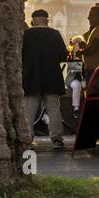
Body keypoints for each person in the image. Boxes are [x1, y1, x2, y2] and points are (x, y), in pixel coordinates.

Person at [22, 9, 69, 149]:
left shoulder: (25, 35)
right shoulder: (55, 34)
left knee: (29, 110)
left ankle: (27, 138)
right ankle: (57, 139)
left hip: (31, 77)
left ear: (33, 20)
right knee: (53, 109)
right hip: (51, 77)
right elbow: (63, 55)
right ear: (47, 20)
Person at [80, 5, 99, 80]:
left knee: (93, 90)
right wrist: (85, 46)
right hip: (93, 68)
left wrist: (80, 52)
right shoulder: (97, 28)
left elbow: (92, 50)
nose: (88, 18)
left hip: (95, 69)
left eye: (90, 15)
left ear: (97, 16)